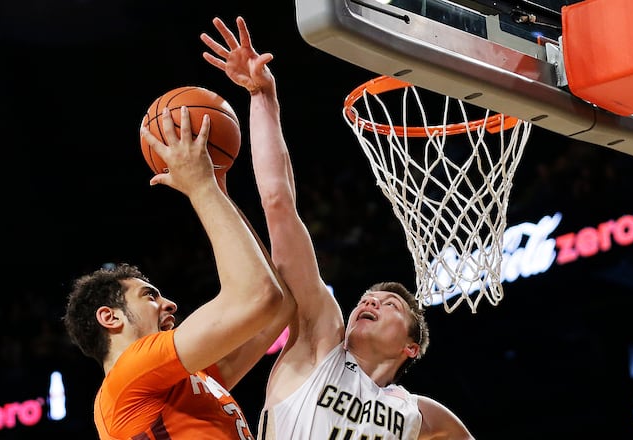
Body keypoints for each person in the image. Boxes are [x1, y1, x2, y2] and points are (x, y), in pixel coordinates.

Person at [201, 16, 475, 440]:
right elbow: (278, 202)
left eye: (390, 306)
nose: (371, 301)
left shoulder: (418, 414)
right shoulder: (320, 341)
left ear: (410, 348)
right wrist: (262, 95)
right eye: (370, 297)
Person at [63, 105, 294, 439]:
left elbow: (280, 307)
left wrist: (221, 196)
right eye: (149, 296)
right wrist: (202, 188)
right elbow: (261, 297)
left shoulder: (189, 379)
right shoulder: (130, 373)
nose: (170, 304)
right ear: (110, 317)